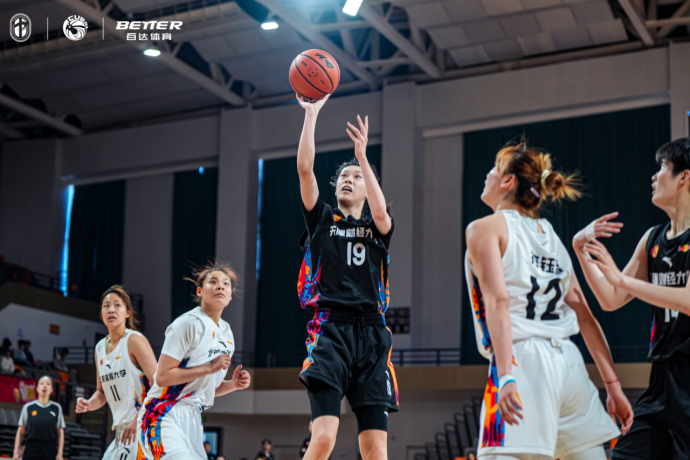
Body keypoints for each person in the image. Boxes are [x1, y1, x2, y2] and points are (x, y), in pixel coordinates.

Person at [464, 140, 633, 460]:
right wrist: (613, 386)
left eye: (494, 169)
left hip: (523, 362)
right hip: (570, 364)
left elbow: (499, 302)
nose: (487, 175)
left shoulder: (483, 228)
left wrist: (506, 375)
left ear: (508, 181)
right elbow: (586, 318)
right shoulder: (550, 234)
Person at [295, 94, 398, 460]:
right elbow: (305, 169)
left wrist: (362, 158)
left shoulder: (378, 228)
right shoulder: (323, 219)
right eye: (343, 176)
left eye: (356, 177)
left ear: (368, 187)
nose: (348, 180)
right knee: (323, 438)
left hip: (372, 335)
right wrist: (311, 114)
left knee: (376, 449)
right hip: (330, 330)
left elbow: (382, 211)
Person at [572, 138, 690, 459]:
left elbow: (687, 300)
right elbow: (611, 298)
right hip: (661, 383)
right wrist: (580, 249)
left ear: (684, 176)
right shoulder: (652, 238)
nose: (654, 176)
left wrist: (621, 278)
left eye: (662, 167)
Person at [137, 263, 251, 460]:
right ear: (200, 291)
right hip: (163, 412)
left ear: (230, 296)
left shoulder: (227, 333)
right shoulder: (187, 324)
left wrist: (233, 384)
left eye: (226, 284)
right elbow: (162, 377)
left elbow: (203, 388)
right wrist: (209, 368)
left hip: (193, 418)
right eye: (213, 282)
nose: (220, 286)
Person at [75, 285, 157, 460]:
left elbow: (161, 387)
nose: (111, 309)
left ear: (128, 312)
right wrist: (89, 404)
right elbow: (102, 393)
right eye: (106, 306)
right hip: (121, 432)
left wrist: (138, 420)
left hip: (144, 428)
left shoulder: (134, 340)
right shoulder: (99, 348)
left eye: (117, 305)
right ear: (101, 313)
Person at [13, 376, 65, 460]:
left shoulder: (57, 407)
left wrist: (60, 453)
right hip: (31, 448)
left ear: (52, 389)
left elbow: (60, 432)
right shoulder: (28, 407)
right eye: (41, 383)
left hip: (50, 449)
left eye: (48, 384)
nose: (44, 386)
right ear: (37, 388)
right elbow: (21, 430)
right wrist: (16, 451)